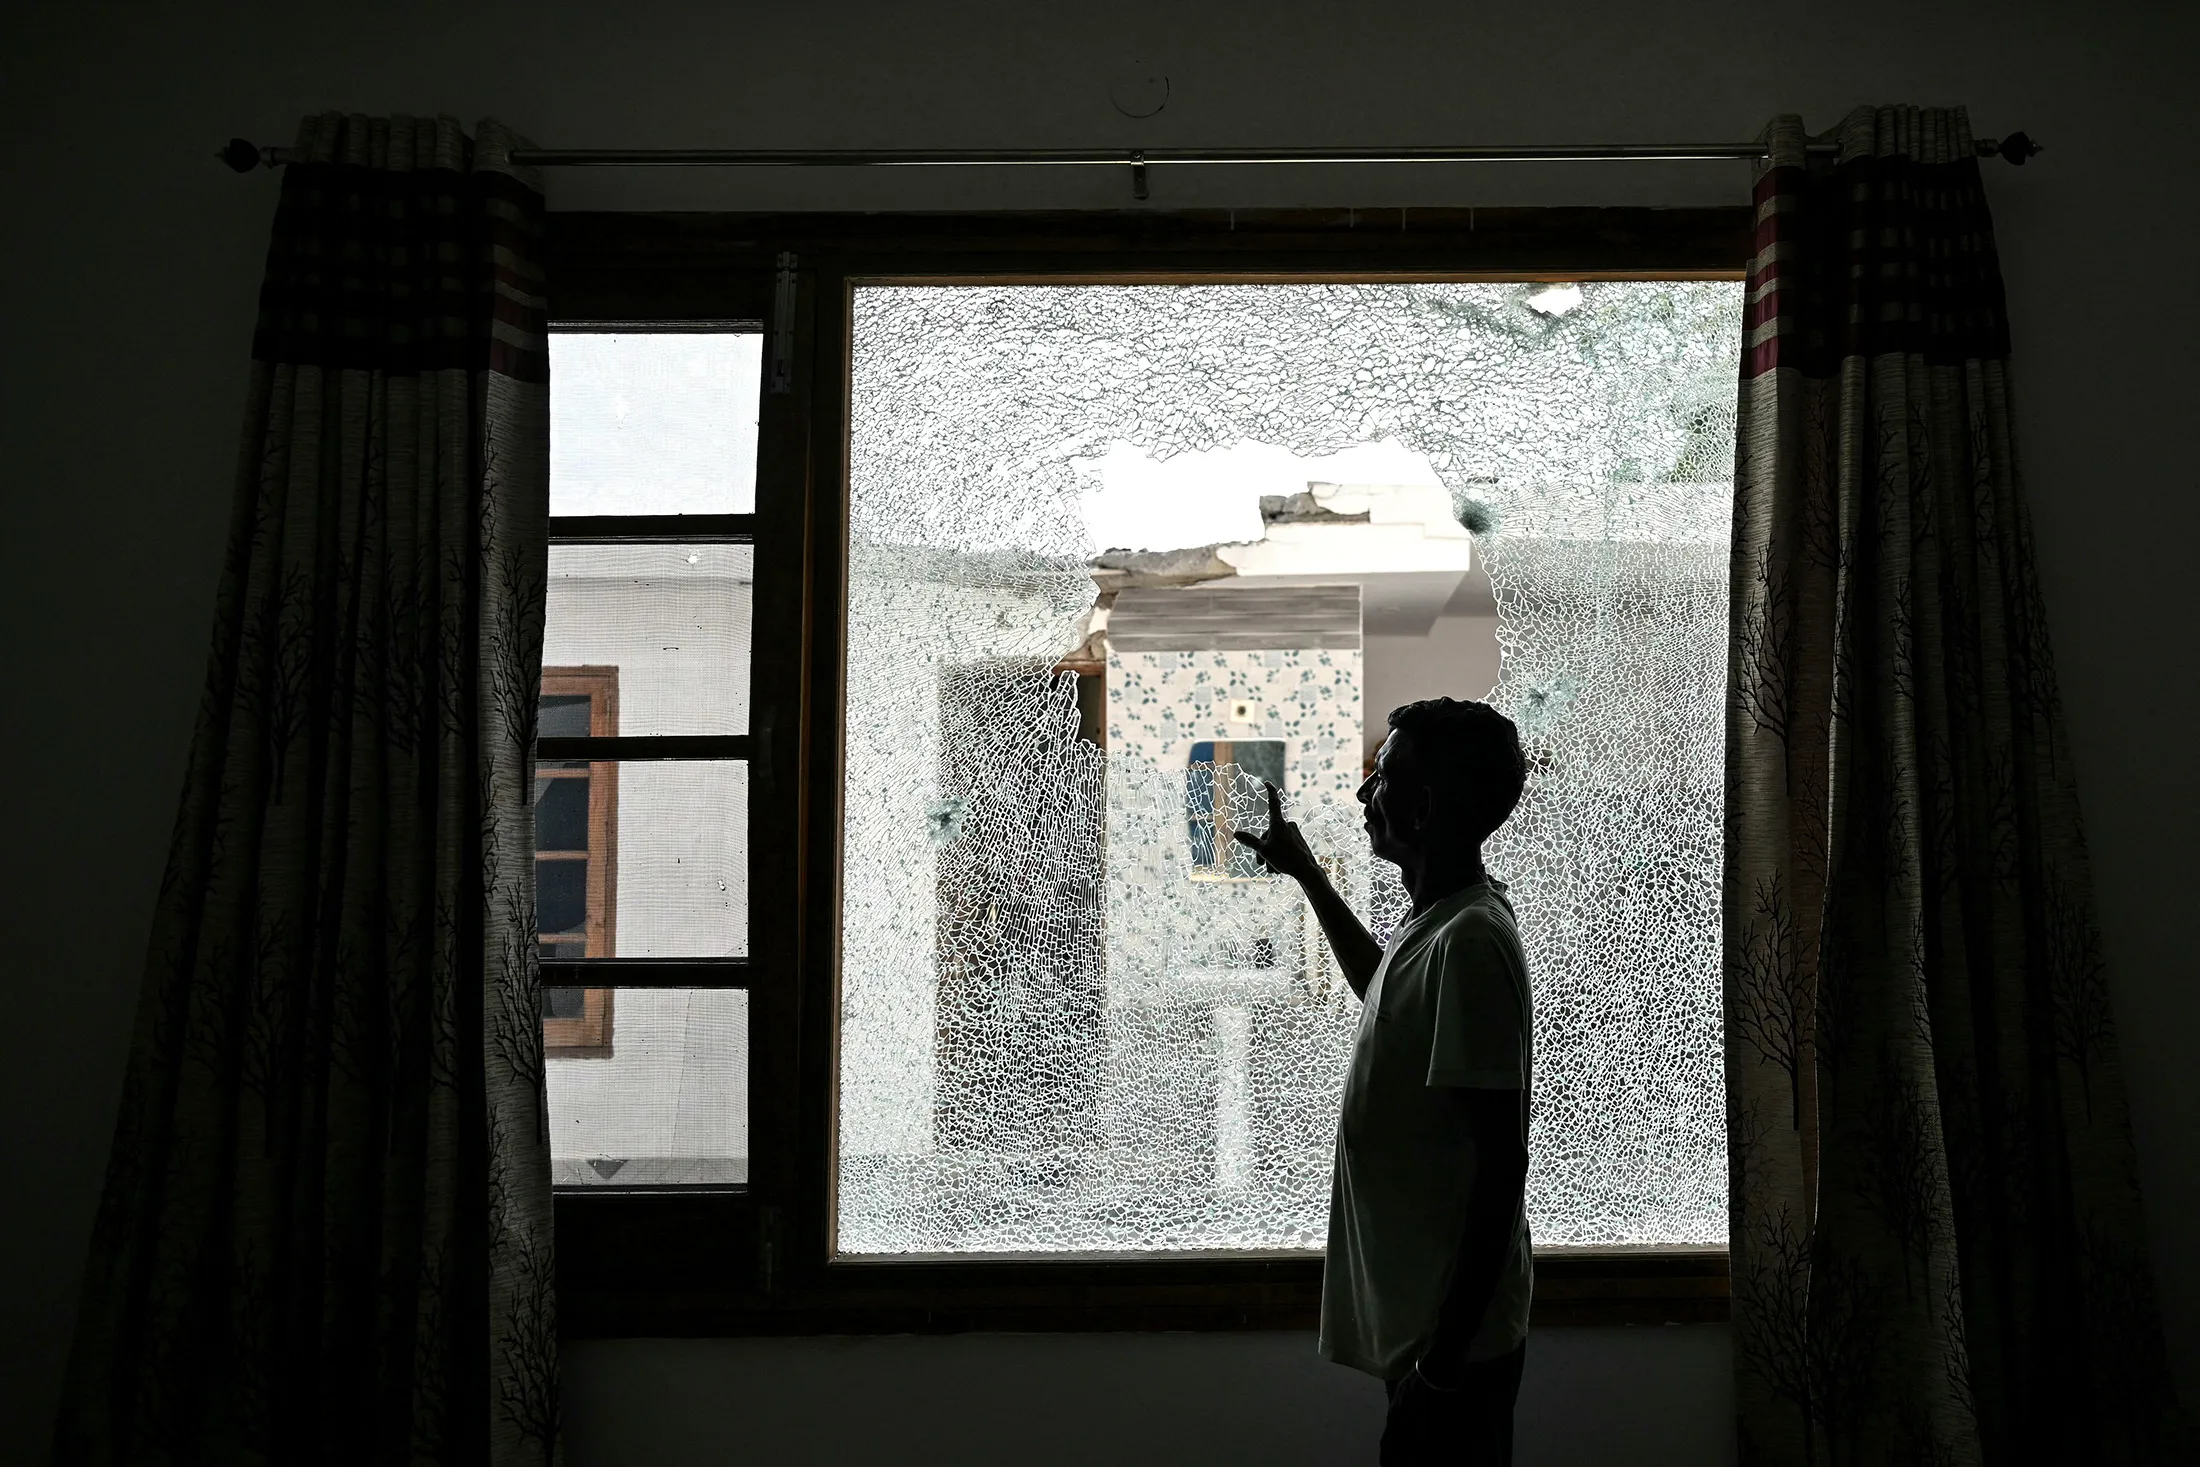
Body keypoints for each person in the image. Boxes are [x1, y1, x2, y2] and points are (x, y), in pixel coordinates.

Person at [1235, 697, 1532, 1466]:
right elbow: (1384, 990)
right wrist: (1308, 875)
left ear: (1425, 807)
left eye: (1383, 776)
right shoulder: (1436, 922)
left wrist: (1439, 1367)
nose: (1364, 794)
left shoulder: (1470, 941)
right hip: (1427, 1335)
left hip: (1449, 1348)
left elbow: (1501, 1166)